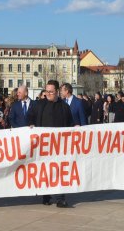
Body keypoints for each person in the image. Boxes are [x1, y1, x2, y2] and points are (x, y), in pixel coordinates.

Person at [27, 80, 73, 208]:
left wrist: (76, 128)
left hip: (59, 146)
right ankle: (46, 196)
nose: (48, 94)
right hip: (44, 145)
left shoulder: (64, 106)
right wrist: (31, 123)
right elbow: (30, 116)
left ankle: (60, 198)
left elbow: (70, 123)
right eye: (47, 91)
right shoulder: (39, 104)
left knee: (59, 171)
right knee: (45, 170)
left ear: (57, 92)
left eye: (51, 92)